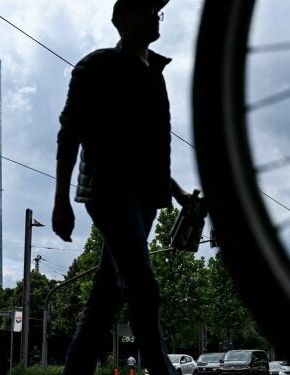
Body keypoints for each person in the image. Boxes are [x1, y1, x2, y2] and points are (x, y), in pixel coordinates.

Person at [51, 1, 191, 374]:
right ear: (121, 20)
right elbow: (70, 132)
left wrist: (178, 194)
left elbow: (147, 153)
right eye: (146, 10)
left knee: (103, 301)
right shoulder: (96, 65)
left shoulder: (155, 75)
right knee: (143, 287)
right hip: (108, 190)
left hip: (146, 199)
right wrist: (60, 200)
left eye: (156, 11)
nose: (154, 16)